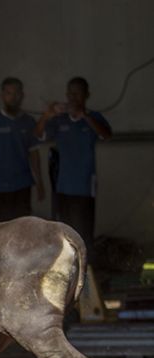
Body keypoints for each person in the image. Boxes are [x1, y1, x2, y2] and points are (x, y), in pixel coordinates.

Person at [34, 77, 112, 253]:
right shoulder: (60, 120)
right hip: (63, 186)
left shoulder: (93, 118)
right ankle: (68, 270)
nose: (72, 97)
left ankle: (86, 269)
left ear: (86, 95)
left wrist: (85, 116)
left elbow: (106, 135)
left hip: (84, 186)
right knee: (64, 232)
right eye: (70, 93)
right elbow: (39, 135)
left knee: (83, 231)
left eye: (77, 93)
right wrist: (47, 115)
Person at [0, 77, 44, 222]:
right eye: (8, 93)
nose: (13, 97)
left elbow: (34, 156)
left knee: (22, 230)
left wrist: (40, 183)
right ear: (2, 95)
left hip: (23, 185)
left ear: (22, 95)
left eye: (16, 93)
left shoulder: (29, 122)